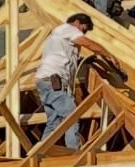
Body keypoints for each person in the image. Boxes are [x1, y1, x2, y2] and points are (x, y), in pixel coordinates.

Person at [35, 14, 120, 150]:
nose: (83, 33)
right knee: (71, 116)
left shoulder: (57, 36)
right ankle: (74, 152)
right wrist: (109, 55)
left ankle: (42, 153)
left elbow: (68, 57)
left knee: (54, 122)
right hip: (54, 80)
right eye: (84, 29)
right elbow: (89, 44)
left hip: (43, 80)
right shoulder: (69, 29)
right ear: (77, 22)